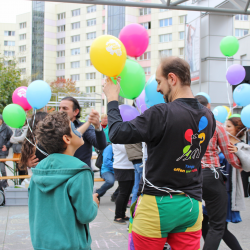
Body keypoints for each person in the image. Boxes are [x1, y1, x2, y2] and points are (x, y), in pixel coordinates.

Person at [103, 56, 215, 250]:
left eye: (159, 82)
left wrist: (112, 99)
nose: (157, 89)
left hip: (157, 205)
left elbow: (116, 133)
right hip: (191, 205)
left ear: (172, 79)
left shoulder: (161, 112)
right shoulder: (208, 116)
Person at [28, 111, 99, 250]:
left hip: (42, 244)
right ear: (67, 139)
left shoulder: (39, 168)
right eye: (74, 128)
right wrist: (94, 203)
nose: (78, 131)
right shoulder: (80, 171)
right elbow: (85, 215)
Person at [195, 95, 242, 250]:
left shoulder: (184, 125)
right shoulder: (217, 125)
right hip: (210, 175)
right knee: (218, 225)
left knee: (195, 220)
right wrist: (242, 163)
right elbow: (230, 157)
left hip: (187, 176)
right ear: (208, 106)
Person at [203, 116, 248, 250]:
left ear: (237, 130)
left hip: (227, 190)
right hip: (213, 185)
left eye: (229, 126)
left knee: (220, 228)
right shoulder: (221, 141)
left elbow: (246, 164)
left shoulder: (241, 146)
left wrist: (238, 152)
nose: (226, 128)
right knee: (207, 225)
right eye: (225, 126)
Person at [59, 97, 107, 168]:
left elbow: (101, 145)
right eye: (59, 108)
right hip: (60, 173)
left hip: (80, 174)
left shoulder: (86, 127)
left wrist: (97, 126)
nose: (60, 111)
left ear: (75, 111)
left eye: (64, 108)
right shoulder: (55, 128)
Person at [113, 143, 134, 224]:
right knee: (123, 193)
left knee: (128, 193)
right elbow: (127, 149)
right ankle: (117, 216)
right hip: (121, 167)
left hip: (131, 166)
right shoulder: (116, 138)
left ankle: (123, 214)